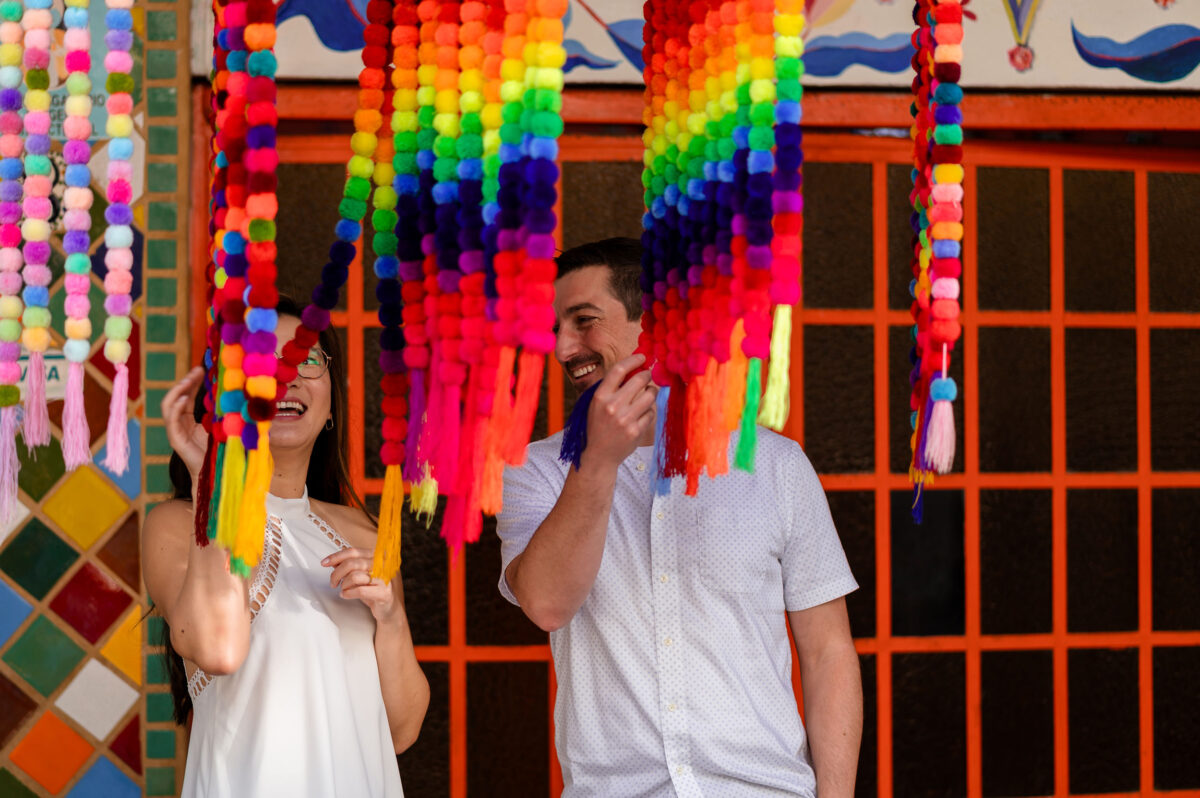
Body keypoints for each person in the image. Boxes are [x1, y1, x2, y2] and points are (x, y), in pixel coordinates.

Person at [497, 238, 863, 797]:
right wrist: (597, 461)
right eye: (556, 329)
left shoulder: (776, 466)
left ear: (653, 323)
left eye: (584, 321)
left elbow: (828, 652)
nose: (564, 347)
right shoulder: (536, 472)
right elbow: (546, 604)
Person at [143, 297, 428, 797]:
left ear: (332, 398)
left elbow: (401, 731)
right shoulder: (177, 524)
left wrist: (390, 616)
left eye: (307, 359)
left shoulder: (365, 534)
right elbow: (216, 648)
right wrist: (214, 488)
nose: (287, 376)